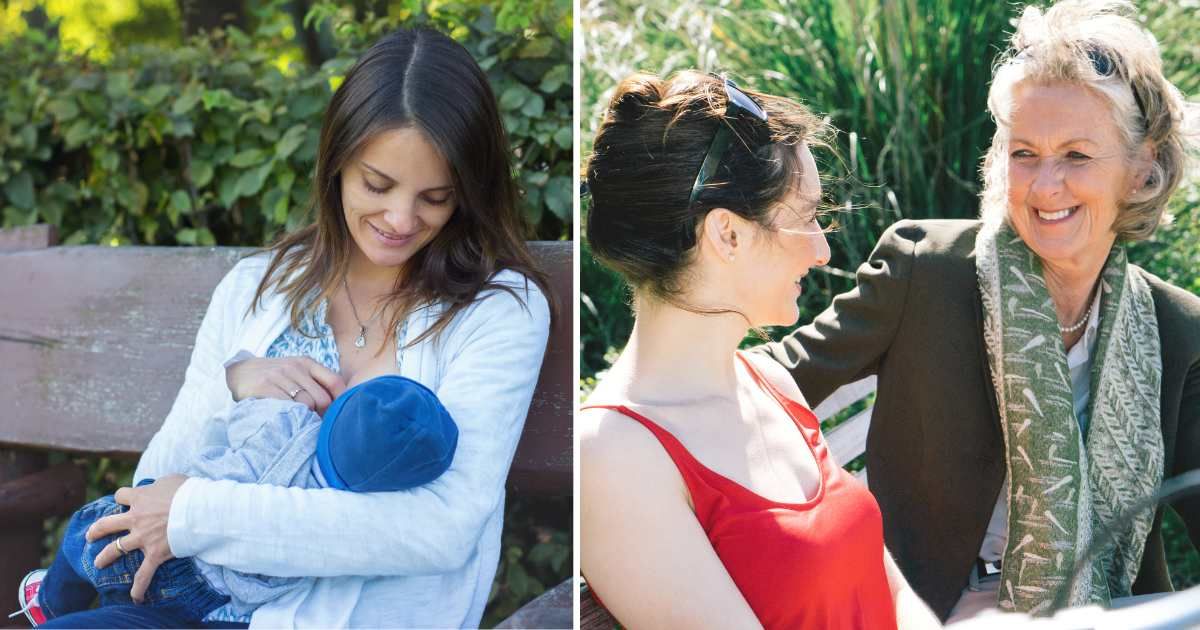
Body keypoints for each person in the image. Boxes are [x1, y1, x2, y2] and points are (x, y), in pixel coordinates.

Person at [30, 26, 551, 629]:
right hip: (185, 604)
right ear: (336, 164)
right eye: (376, 185)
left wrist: (201, 514)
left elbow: (438, 530)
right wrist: (237, 383)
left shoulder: (497, 311)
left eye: (436, 197)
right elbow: (157, 480)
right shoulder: (259, 286)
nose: (401, 219)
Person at [755, 0, 1199, 622]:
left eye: (1076, 155)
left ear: (1141, 167)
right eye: (1025, 154)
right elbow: (771, 379)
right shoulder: (925, 269)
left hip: (1106, 609)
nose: (1045, 186)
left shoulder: (1178, 329)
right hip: (930, 609)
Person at [580, 71, 941, 629]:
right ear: (727, 234)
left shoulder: (770, 383)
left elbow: (889, 593)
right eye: (807, 218)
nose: (822, 251)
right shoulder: (614, 454)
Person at [14, 375, 458, 627]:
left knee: (84, 532)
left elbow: (218, 429)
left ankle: (50, 599)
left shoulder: (284, 420)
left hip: (145, 532)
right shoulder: (338, 525)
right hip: (201, 599)